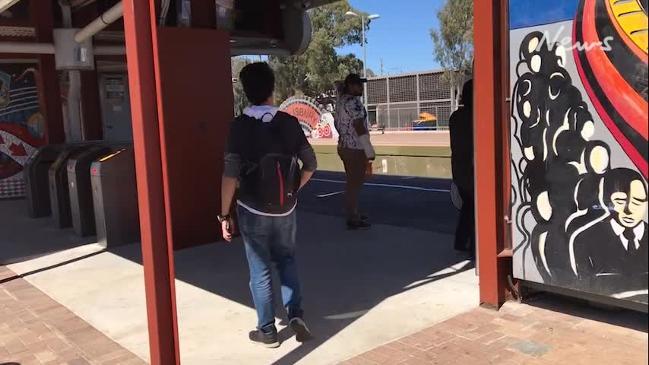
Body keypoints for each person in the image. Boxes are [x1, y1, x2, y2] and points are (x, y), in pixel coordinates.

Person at [219, 62, 317, 348]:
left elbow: (229, 175)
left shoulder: (239, 127)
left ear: (246, 91)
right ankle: (296, 314)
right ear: (272, 88)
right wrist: (292, 191)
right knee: (286, 260)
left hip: (251, 208)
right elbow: (311, 164)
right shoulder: (289, 122)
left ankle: (268, 331)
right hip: (286, 208)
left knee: (260, 269)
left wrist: (224, 214)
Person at [571, 168, 648, 300]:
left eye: (637, 202)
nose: (629, 209)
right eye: (620, 201)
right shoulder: (585, 240)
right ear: (606, 201)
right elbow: (586, 286)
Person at [335, 74, 375, 230]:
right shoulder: (353, 102)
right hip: (355, 148)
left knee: (353, 181)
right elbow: (358, 125)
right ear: (351, 86)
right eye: (358, 84)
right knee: (354, 184)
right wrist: (368, 148)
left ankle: (353, 211)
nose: (361, 87)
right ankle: (352, 216)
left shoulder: (341, 101)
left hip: (344, 146)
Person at [449, 79, 475, 255]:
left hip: (459, 169)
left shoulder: (455, 117)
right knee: (474, 209)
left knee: (468, 206)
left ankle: (460, 240)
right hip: (472, 169)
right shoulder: (474, 117)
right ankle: (474, 247)